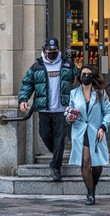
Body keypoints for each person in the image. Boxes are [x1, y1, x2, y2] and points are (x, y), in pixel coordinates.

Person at [18, 37, 78, 182]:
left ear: (58, 50)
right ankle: (57, 155)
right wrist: (23, 99)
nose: (51, 53)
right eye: (49, 51)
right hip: (44, 109)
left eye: (54, 51)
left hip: (61, 109)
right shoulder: (36, 67)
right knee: (45, 135)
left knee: (59, 139)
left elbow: (78, 81)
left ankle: (56, 167)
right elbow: (27, 83)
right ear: (44, 51)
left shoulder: (67, 65)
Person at [66, 64, 110, 205]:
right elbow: (69, 112)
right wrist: (69, 118)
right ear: (79, 76)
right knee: (86, 160)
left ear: (92, 77)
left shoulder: (100, 93)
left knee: (98, 166)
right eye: (83, 74)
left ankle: (92, 184)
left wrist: (103, 127)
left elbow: (109, 112)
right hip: (80, 130)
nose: (85, 76)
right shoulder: (74, 93)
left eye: (88, 74)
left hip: (95, 130)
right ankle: (91, 193)